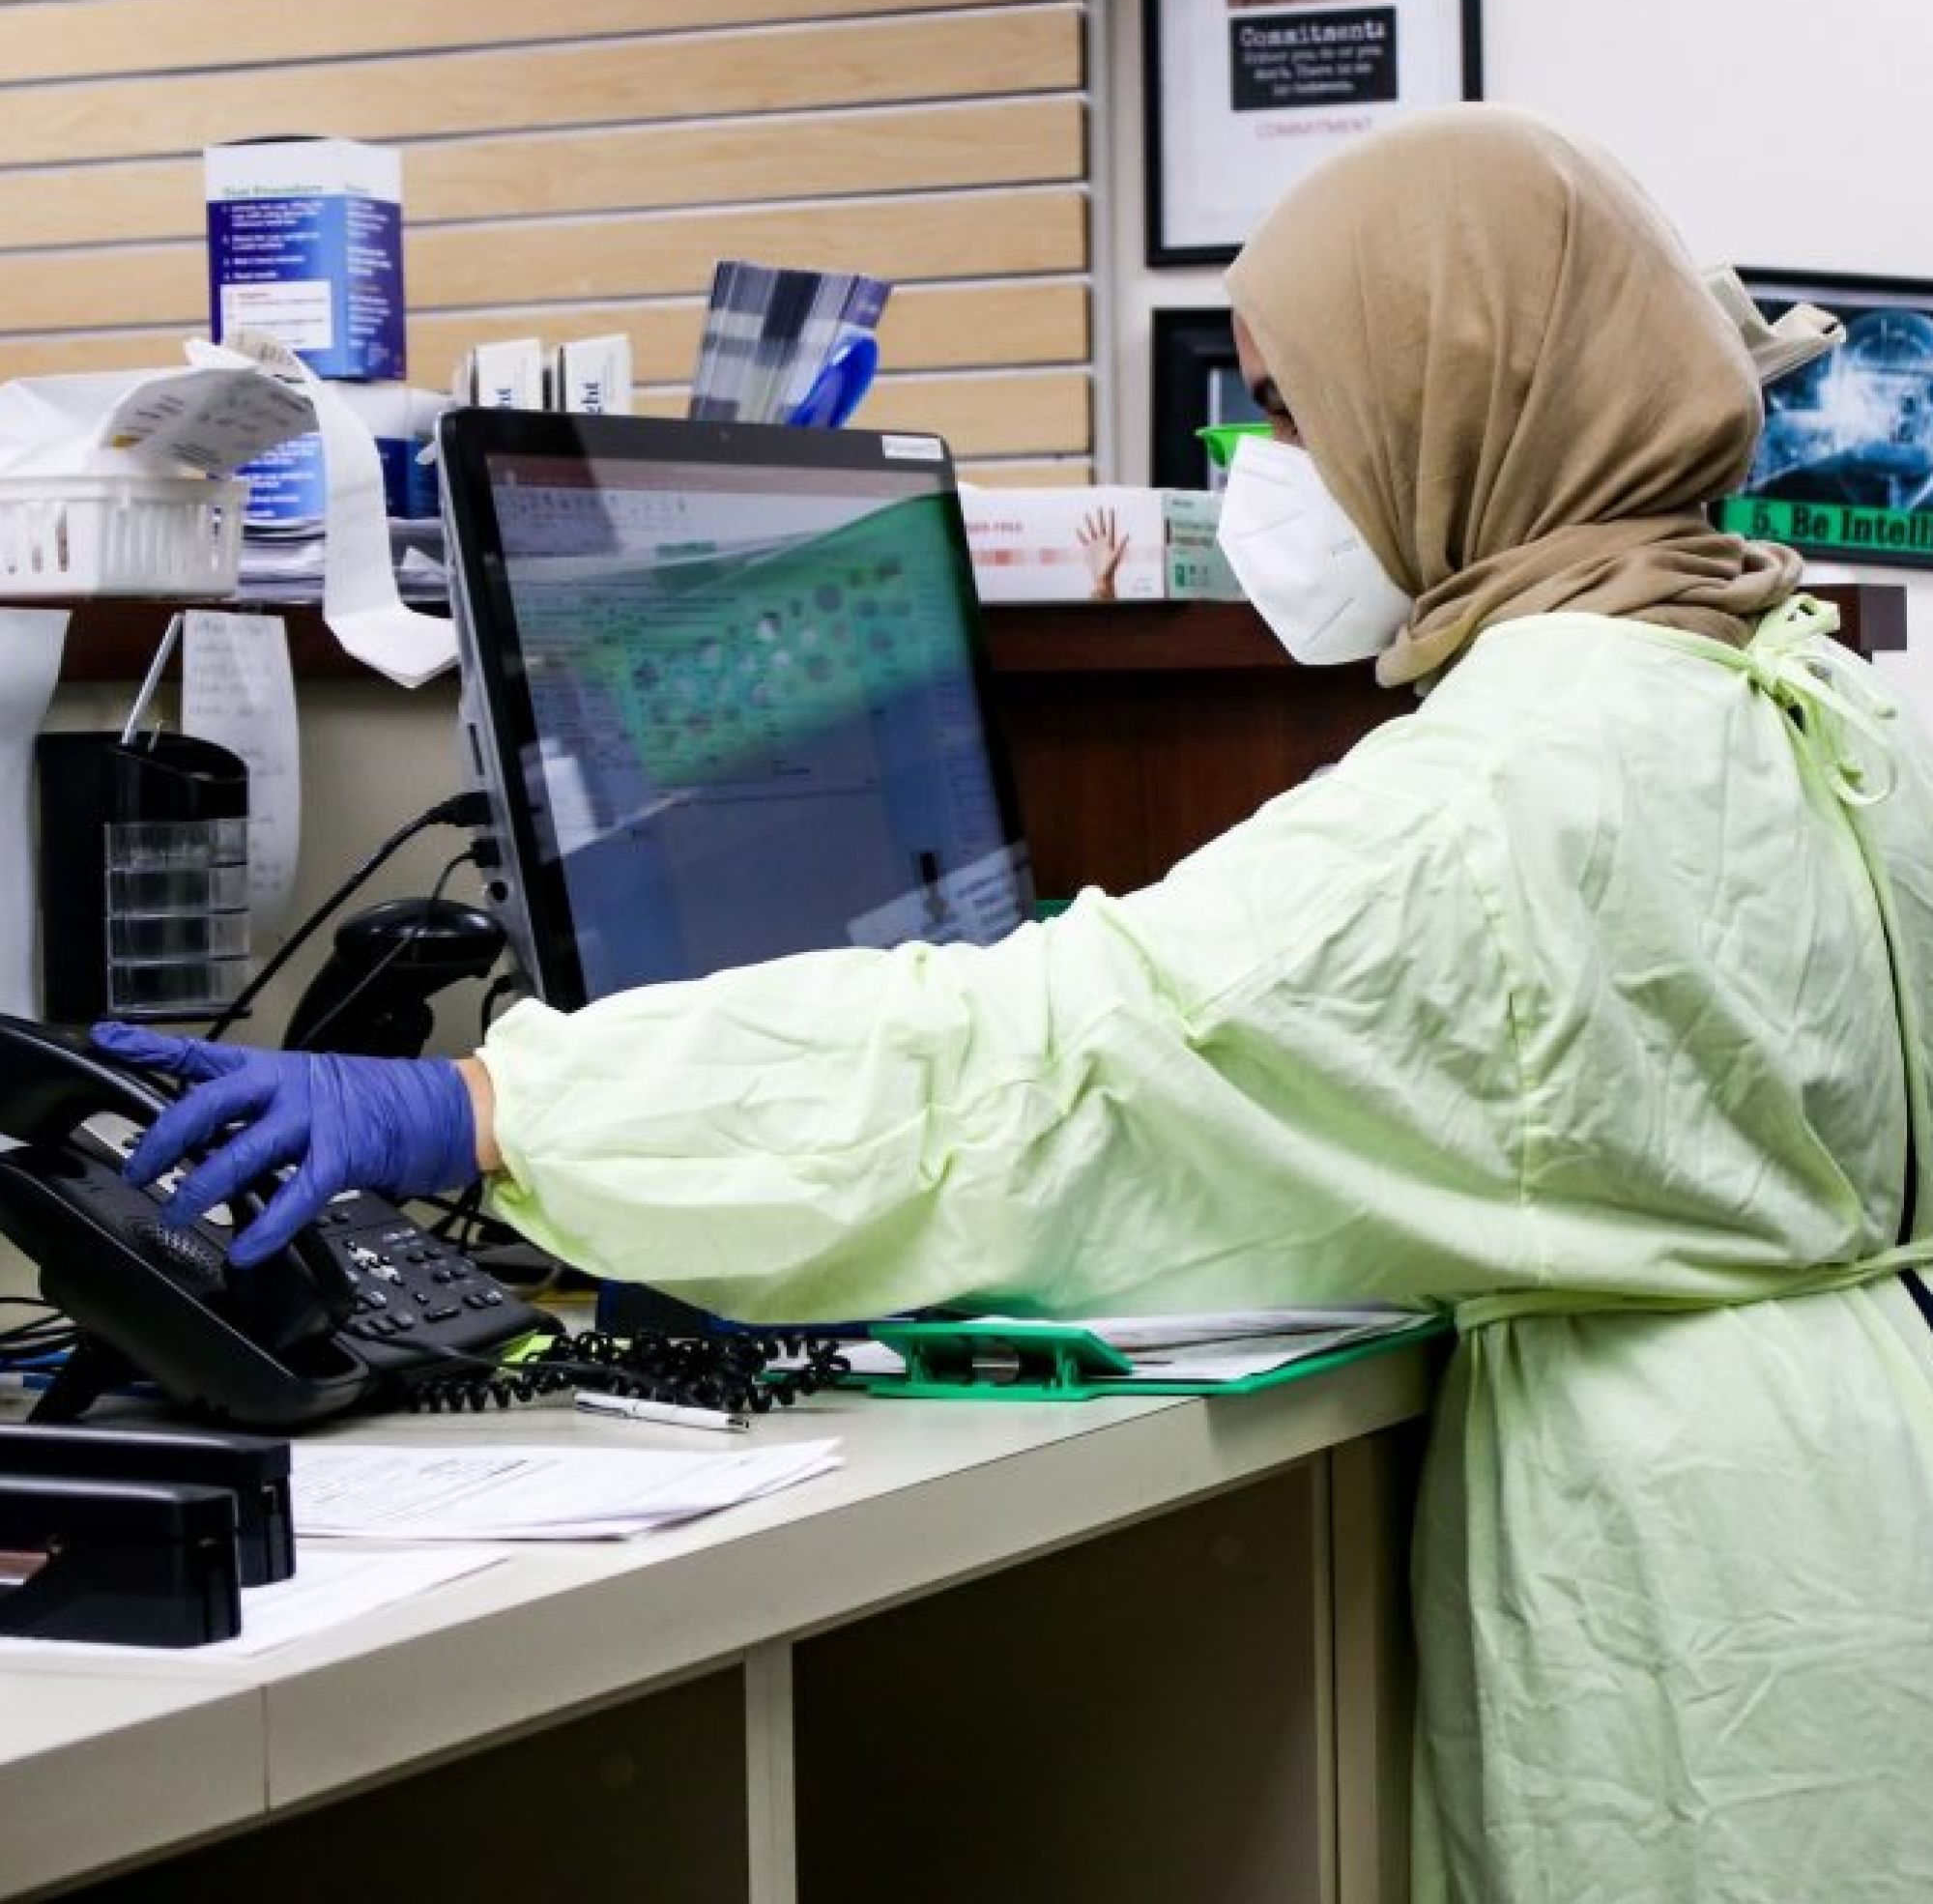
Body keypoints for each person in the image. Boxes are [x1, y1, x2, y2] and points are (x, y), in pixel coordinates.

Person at [97, 105, 1933, 1901]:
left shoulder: (1504, 790)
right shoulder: (1798, 688)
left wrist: (496, 1112)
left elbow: (1042, 1074)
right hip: (1842, 1494)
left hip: (1690, 1590)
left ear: (1461, 409)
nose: (1264, 471)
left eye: (1294, 411)